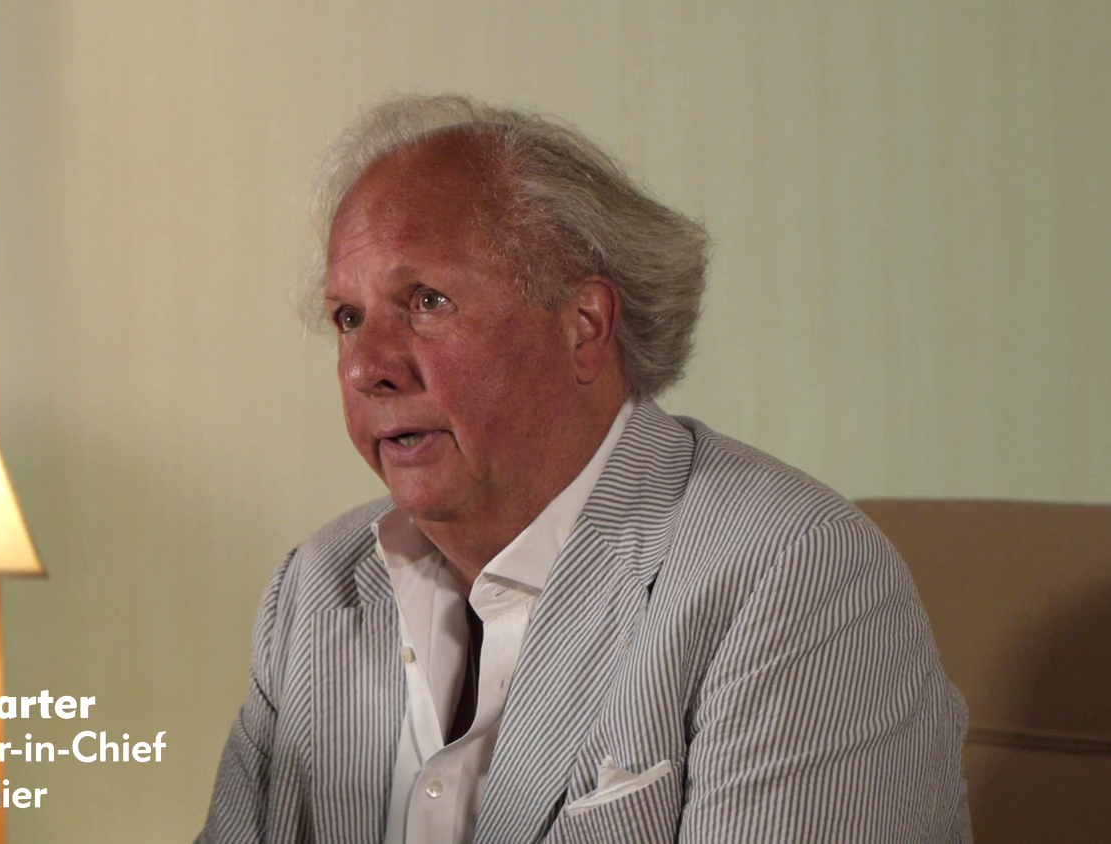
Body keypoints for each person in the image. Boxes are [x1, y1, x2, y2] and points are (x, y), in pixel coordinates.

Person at [199, 94, 970, 844]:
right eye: (348, 318)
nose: (365, 367)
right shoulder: (313, 591)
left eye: (426, 301)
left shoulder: (792, 576)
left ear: (585, 325)